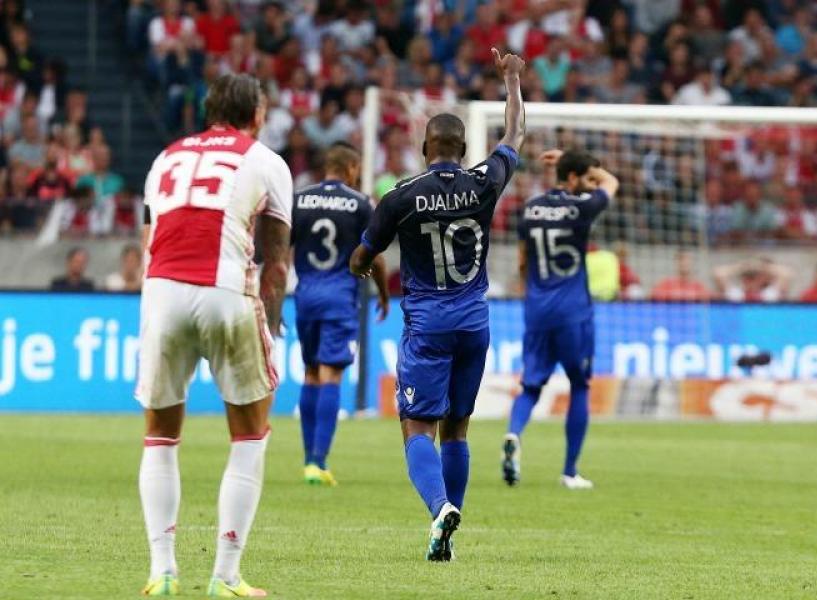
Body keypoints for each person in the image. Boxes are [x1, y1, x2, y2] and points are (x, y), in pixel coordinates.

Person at [349, 47, 525, 562]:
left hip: (427, 323)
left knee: (416, 426)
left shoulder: (401, 196)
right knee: (458, 428)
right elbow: (515, 134)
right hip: (474, 322)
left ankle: (439, 508)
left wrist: (366, 270)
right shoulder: (484, 181)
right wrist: (512, 80)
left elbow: (362, 256)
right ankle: (447, 532)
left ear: (425, 147)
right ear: (465, 148)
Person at [136, 73, 292, 597]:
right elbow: (276, 262)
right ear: (257, 114)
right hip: (225, 290)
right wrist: (271, 323)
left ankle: (162, 570)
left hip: (161, 291)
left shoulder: (166, 157)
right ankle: (225, 575)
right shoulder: (266, 161)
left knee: (160, 436)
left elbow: (149, 237)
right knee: (249, 434)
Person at [503, 148, 619, 490]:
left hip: (537, 310)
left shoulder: (530, 208)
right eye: (586, 178)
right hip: (573, 312)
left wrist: (573, 166)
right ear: (572, 178)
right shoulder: (581, 207)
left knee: (531, 385)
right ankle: (569, 471)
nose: (591, 184)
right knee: (579, 384)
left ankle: (513, 434)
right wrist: (572, 159)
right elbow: (612, 182)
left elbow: (522, 262)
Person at [291, 144, 389, 487]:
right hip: (339, 298)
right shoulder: (360, 203)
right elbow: (374, 256)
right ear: (350, 168)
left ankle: (308, 462)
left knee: (311, 373)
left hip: (305, 296)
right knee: (331, 374)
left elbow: (280, 247)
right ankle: (319, 462)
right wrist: (384, 294)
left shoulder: (299, 199)